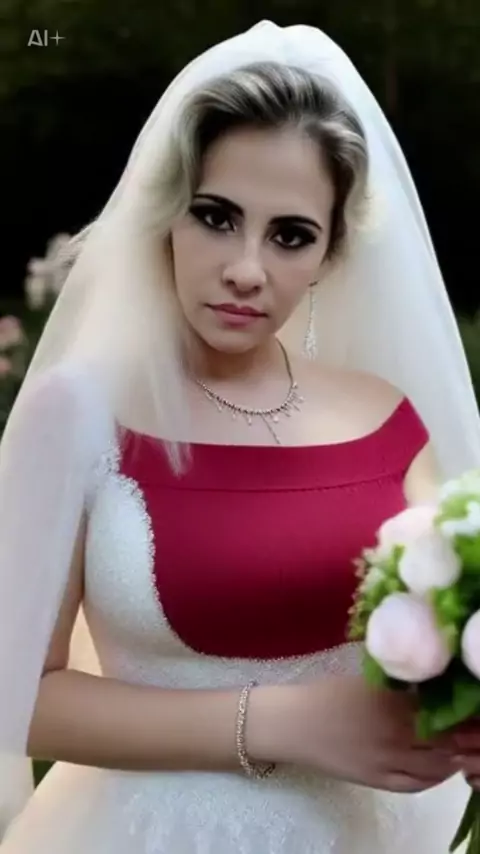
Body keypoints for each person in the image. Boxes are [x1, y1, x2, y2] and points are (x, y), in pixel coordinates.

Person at [0, 19, 479, 854]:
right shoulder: (76, 412)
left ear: (330, 255)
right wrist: (283, 721)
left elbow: (446, 645)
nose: (246, 269)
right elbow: (16, 693)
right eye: (216, 217)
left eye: (290, 235)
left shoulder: (387, 420)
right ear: (166, 217)